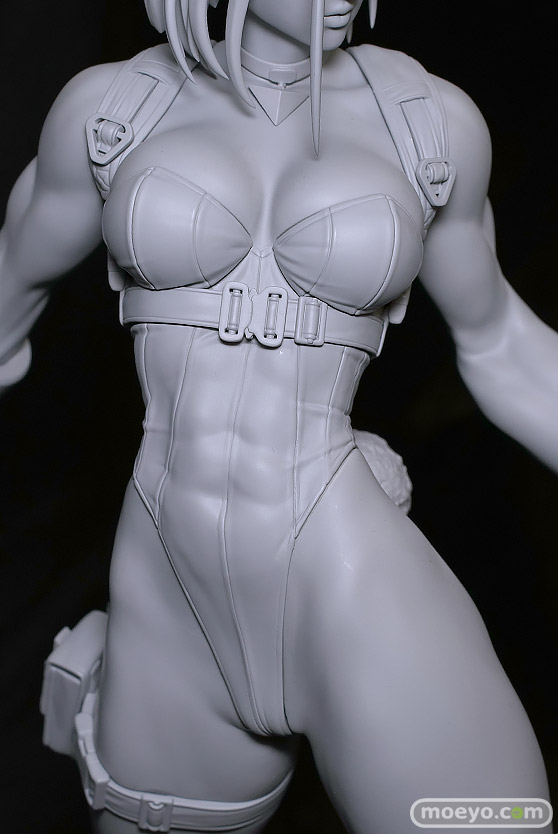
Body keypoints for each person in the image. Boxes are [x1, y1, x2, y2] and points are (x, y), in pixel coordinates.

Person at [1, 1, 556, 832]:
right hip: (164, 600)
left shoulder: (428, 124)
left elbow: (503, 343)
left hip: (347, 577)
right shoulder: (114, 111)